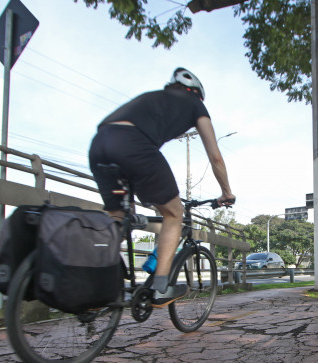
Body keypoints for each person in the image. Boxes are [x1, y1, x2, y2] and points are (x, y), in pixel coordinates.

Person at [88, 68, 235, 307]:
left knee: (118, 215)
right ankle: (161, 288)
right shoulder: (195, 104)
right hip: (132, 145)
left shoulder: (152, 97)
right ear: (196, 93)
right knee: (173, 213)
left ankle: (98, 275)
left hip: (100, 144)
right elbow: (215, 156)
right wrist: (226, 192)